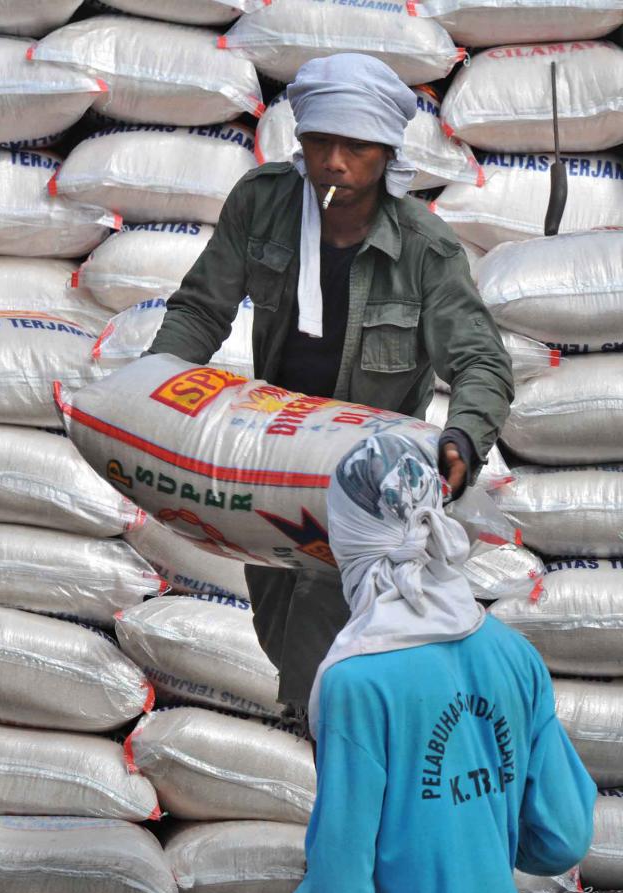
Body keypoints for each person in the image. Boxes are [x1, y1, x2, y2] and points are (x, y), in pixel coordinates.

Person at [147, 53, 514, 724]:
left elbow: (481, 362)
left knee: (335, 674)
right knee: (284, 625)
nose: (335, 162)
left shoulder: (425, 250)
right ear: (301, 141)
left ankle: (343, 774)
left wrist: (463, 435)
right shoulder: (262, 207)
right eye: (321, 141)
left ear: (387, 153)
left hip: (370, 485)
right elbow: (202, 309)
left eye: (356, 147)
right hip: (274, 463)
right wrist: (154, 392)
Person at [238, 434, 597, 893]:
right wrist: (474, 830)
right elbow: (565, 839)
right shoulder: (512, 652)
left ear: (347, 540)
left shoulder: (355, 682)